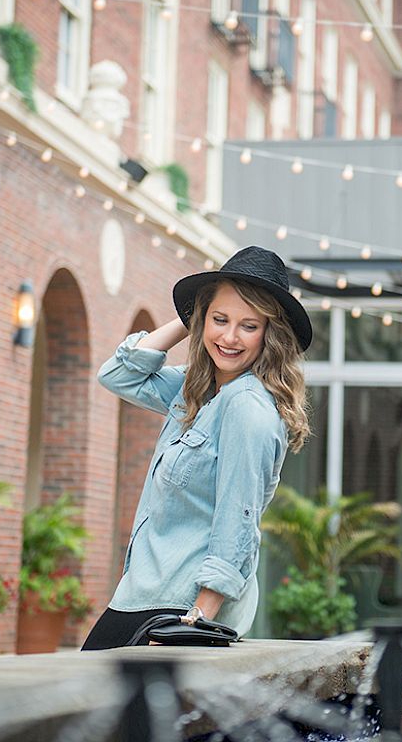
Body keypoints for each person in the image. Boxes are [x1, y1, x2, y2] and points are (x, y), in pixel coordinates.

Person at [81, 246, 312, 650]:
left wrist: (196, 621)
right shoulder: (197, 388)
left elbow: (238, 517)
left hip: (179, 606)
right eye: (219, 320)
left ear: (270, 334)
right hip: (144, 592)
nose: (229, 337)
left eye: (248, 325)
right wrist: (193, 316)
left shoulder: (246, 407)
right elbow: (117, 375)